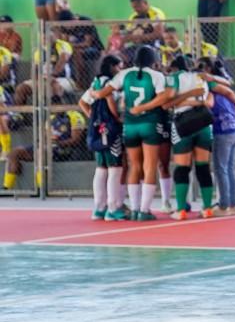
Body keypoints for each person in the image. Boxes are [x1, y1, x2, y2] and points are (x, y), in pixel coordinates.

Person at [136, 53, 235, 220]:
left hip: (183, 124)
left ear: (175, 67)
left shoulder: (174, 78)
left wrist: (184, 97)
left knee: (182, 168)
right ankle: (207, 208)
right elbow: (227, 85)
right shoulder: (201, 76)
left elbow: (167, 103)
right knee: (203, 167)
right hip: (204, 124)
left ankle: (181, 209)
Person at [96, 45, 165, 220]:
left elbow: (104, 92)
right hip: (149, 122)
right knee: (149, 166)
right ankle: (144, 210)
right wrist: (144, 106)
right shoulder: (156, 76)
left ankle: (134, 209)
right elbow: (163, 97)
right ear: (153, 60)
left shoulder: (124, 74)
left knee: (134, 166)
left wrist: (97, 93)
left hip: (130, 125)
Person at [78, 53, 130, 221]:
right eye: (119, 66)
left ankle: (99, 207)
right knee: (115, 167)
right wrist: (116, 117)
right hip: (110, 129)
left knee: (101, 168)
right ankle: (113, 207)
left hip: (97, 128)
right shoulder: (109, 83)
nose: (120, 69)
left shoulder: (95, 82)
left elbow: (82, 102)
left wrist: (92, 116)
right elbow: (109, 100)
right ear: (112, 67)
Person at [3, 106, 85, 192]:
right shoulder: (51, 118)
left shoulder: (74, 116)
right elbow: (44, 137)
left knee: (40, 151)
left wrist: (57, 143)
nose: (54, 107)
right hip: (46, 147)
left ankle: (41, 187)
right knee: (14, 153)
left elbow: (76, 140)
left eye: (57, 104)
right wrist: (45, 142)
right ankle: (7, 188)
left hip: (62, 149)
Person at [203, 56, 235, 215]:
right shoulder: (223, 85)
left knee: (221, 169)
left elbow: (208, 103)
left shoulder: (210, 88)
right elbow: (230, 92)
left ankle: (224, 205)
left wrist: (197, 98)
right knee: (230, 167)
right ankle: (233, 204)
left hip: (223, 131)